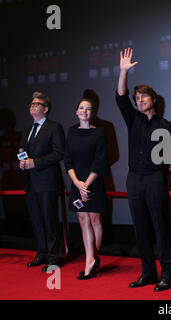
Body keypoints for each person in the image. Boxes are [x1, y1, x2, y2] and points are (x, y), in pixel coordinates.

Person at [115, 48, 171, 292]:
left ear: (154, 99)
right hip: (134, 180)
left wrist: (163, 167)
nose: (139, 100)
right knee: (140, 229)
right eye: (137, 98)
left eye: (144, 97)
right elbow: (121, 97)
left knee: (161, 228)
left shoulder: (168, 127)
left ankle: (167, 275)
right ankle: (148, 273)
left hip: (155, 179)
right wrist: (123, 72)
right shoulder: (133, 120)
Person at [20, 91, 65, 272]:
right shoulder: (27, 129)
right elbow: (23, 151)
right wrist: (23, 163)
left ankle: (54, 258)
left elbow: (59, 153)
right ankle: (42, 254)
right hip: (30, 182)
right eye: (31, 104)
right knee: (37, 220)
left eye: (37, 104)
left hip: (47, 182)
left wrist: (35, 163)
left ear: (45, 109)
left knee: (49, 220)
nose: (32, 106)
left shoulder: (54, 127)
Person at [64, 98, 109, 280]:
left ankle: (92, 259)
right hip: (77, 182)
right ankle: (89, 260)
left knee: (94, 219)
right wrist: (77, 183)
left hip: (93, 181)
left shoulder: (99, 132)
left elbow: (101, 160)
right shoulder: (71, 132)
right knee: (83, 220)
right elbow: (67, 160)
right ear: (76, 111)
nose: (84, 111)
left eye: (88, 109)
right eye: (81, 108)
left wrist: (87, 184)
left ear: (92, 113)